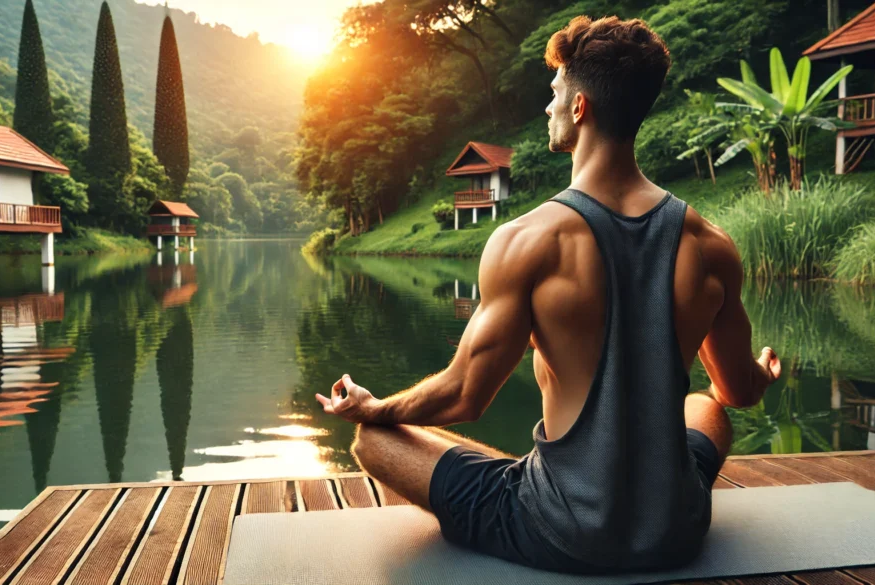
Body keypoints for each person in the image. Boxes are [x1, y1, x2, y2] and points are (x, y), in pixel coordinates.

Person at [315, 15, 782, 573]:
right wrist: (762, 371)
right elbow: (738, 392)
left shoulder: (528, 241)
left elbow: (466, 395)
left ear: (581, 107)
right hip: (676, 528)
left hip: (562, 534)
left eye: (555, 93)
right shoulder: (712, 246)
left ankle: (539, 485)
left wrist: (376, 406)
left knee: (373, 440)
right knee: (704, 406)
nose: (548, 108)